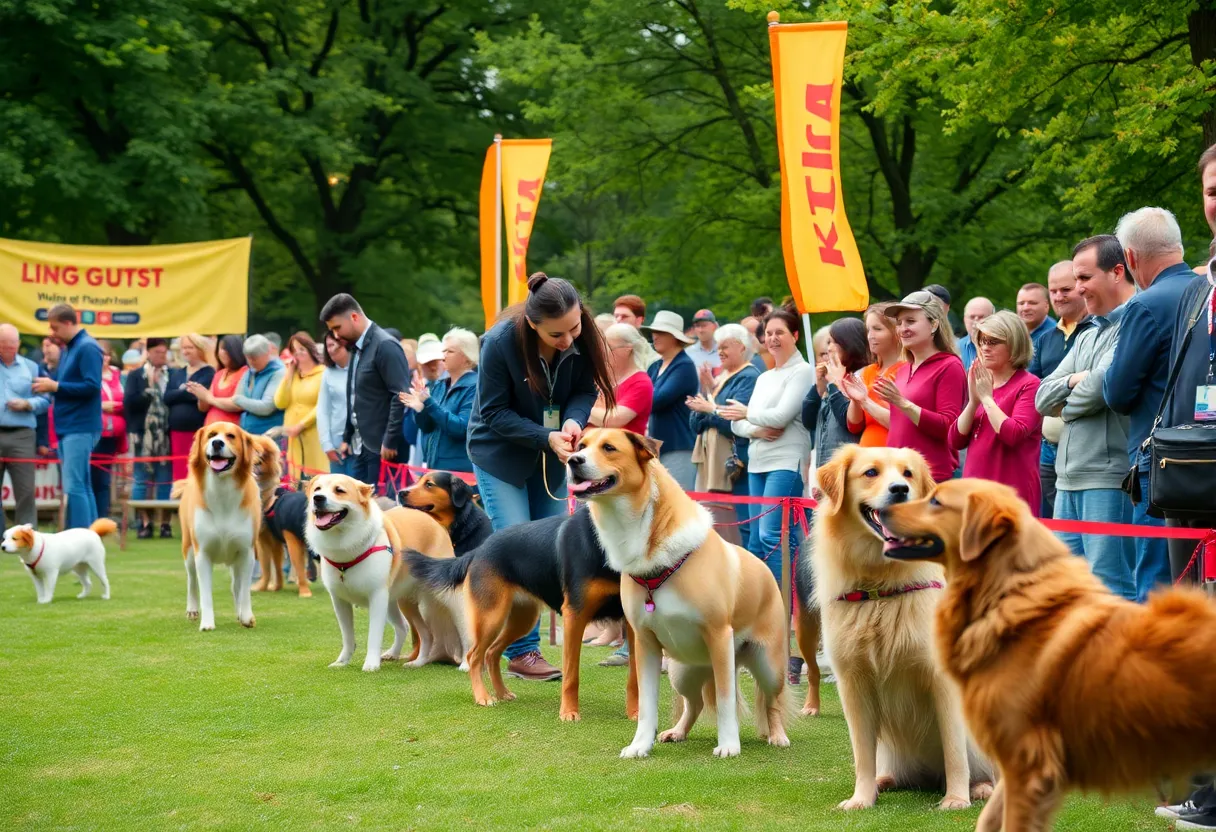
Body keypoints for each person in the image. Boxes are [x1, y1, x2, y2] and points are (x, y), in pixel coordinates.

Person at [466, 272, 614, 682]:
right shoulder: (498, 343)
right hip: (500, 454)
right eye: (556, 334)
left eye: (574, 328)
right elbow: (493, 413)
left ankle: (522, 645)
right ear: (533, 325)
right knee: (516, 541)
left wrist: (571, 421)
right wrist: (545, 436)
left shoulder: (582, 334)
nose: (568, 339)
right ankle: (522, 651)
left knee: (554, 545)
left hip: (552, 451)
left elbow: (585, 390)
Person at [1036, 234, 1137, 600]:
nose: (1077, 290)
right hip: (1067, 478)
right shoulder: (1089, 332)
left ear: (1116, 272)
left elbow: (1103, 388)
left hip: (1108, 478)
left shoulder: (1133, 324)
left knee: (1110, 588)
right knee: (1069, 590)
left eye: (1084, 279)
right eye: (1075, 280)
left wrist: (1072, 394)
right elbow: (1042, 397)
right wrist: (1077, 384)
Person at [1102, 207, 1194, 602]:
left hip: (1160, 466)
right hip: (1205, 457)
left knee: (1156, 585)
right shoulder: (1206, 292)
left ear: (1132, 258)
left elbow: (1117, 392)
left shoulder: (1146, 305)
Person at [720, 306, 814, 584]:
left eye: (780, 333)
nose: (773, 338)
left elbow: (781, 416)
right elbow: (736, 424)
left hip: (785, 462)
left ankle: (783, 608)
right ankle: (759, 610)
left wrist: (747, 414)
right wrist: (759, 429)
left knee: (772, 536)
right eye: (769, 333)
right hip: (757, 462)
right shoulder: (764, 377)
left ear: (795, 335)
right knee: (755, 543)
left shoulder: (802, 371)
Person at [949, 311, 1044, 513]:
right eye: (982, 341)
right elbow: (955, 441)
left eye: (993, 342)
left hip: (1010, 494)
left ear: (1014, 345)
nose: (984, 348)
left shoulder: (1029, 384)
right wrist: (974, 402)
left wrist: (986, 399)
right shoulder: (982, 382)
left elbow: (1013, 434)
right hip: (974, 493)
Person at [1029, 262, 1097, 518]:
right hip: (1048, 448)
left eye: (1066, 289)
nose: (1059, 296)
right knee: (1056, 523)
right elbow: (1035, 391)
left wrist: (1056, 392)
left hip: (1085, 449)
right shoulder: (1046, 339)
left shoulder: (1096, 331)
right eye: (1053, 290)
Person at [320, 294, 409, 487]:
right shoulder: (356, 349)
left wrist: (390, 440)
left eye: (337, 328)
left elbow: (400, 395)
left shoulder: (385, 345)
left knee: (383, 511)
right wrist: (347, 436)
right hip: (361, 447)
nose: (335, 335)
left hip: (384, 449)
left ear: (354, 317)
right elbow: (356, 397)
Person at [878, 293, 966, 483]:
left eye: (910, 321)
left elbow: (948, 427)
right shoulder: (902, 370)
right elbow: (899, 427)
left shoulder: (949, 366)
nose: (903, 329)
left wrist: (902, 403)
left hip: (928, 479)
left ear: (934, 325)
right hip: (896, 477)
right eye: (899, 323)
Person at [687, 323, 760, 548]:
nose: (720, 352)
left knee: (739, 524)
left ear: (741, 347)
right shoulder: (720, 379)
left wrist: (710, 408)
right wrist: (708, 393)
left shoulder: (747, 377)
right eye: (718, 347)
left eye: (725, 346)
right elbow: (695, 422)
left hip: (733, 462)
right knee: (716, 523)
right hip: (711, 461)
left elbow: (733, 420)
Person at [32, 304, 103, 530]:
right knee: (82, 485)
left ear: (68, 323)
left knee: (74, 487)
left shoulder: (88, 348)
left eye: (55, 327)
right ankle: (91, 537)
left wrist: (56, 386)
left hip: (80, 426)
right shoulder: (70, 348)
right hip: (69, 426)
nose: (52, 333)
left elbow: (92, 386)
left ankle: (81, 538)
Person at [401, 327, 479, 473]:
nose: (443, 356)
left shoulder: (474, 387)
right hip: (436, 469)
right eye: (443, 351)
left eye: (450, 351)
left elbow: (461, 429)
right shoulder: (440, 386)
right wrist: (420, 410)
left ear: (466, 357)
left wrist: (429, 403)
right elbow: (427, 427)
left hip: (460, 474)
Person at [641, 310, 699, 490]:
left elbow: (656, 399)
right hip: (657, 447)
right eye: (654, 332)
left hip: (678, 446)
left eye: (660, 332)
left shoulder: (684, 366)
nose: (654, 336)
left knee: (677, 505)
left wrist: (632, 402)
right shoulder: (656, 365)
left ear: (674, 337)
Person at [0, 323, 50, 534]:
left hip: (22, 434)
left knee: (26, 491)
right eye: (4, 345)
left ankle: (27, 538)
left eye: (12, 345)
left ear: (18, 344)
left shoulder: (32, 367)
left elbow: (45, 399)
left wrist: (28, 404)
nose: (9, 349)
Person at [124, 337, 174, 538]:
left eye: (164, 353)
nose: (161, 356)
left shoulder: (174, 375)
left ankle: (164, 523)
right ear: (149, 353)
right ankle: (144, 523)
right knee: (141, 479)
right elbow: (129, 403)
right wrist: (149, 390)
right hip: (143, 436)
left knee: (164, 480)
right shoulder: (136, 375)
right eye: (157, 353)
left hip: (166, 435)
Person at [802, 317, 866, 472]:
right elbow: (808, 421)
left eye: (833, 342)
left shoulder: (862, 376)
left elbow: (849, 423)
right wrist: (820, 385)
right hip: (825, 467)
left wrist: (833, 384)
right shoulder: (831, 380)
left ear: (849, 343)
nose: (829, 348)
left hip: (848, 470)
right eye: (827, 343)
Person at [842, 303, 905, 447]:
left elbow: (901, 424)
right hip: (867, 456)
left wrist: (865, 401)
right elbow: (854, 425)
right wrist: (855, 399)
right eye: (868, 330)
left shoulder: (907, 370)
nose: (870, 336)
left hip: (893, 456)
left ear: (896, 332)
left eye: (877, 329)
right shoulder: (868, 371)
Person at [274, 332, 328, 479]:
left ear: (311, 350)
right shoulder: (293, 375)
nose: (298, 353)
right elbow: (280, 402)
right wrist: (289, 375)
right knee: (295, 479)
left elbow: (323, 405)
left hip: (313, 433)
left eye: (302, 349)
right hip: (293, 436)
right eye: (294, 350)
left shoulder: (323, 374)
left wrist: (302, 425)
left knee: (314, 477)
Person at [164, 334, 216, 482]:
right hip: (176, 430)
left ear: (199, 349)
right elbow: (167, 397)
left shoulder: (208, 372)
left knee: (196, 470)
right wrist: (185, 391)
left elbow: (199, 394)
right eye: (184, 348)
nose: (186, 351)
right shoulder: (178, 373)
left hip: (196, 430)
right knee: (179, 472)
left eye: (190, 347)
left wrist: (179, 392)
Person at [589, 323, 654, 435]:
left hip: (622, 450)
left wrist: (580, 408)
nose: (603, 351)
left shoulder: (642, 383)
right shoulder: (602, 376)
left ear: (627, 350)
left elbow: (613, 420)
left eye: (608, 347)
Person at [92, 340, 127, 521]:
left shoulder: (120, 375)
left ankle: (103, 519)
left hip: (114, 436)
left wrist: (117, 406)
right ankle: (92, 519)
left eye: (105, 354)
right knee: (93, 480)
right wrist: (101, 406)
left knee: (105, 480)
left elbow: (129, 399)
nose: (103, 358)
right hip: (94, 433)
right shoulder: (88, 374)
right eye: (99, 354)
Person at [316, 331, 355, 477]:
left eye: (333, 345)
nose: (330, 350)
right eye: (327, 347)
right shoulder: (328, 372)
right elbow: (323, 410)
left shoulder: (362, 369)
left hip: (358, 444)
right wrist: (327, 445)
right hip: (336, 445)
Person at [231, 335, 286, 436]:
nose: (251, 362)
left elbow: (266, 407)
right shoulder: (250, 371)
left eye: (255, 358)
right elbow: (237, 396)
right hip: (247, 433)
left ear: (267, 353)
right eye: (248, 358)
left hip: (269, 436)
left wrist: (239, 400)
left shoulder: (279, 372)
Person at [191, 335, 247, 426]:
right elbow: (204, 408)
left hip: (230, 430)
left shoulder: (245, 372)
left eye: (225, 349)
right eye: (220, 349)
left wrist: (210, 398)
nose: (221, 352)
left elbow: (237, 404)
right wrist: (201, 395)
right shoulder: (219, 374)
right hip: (210, 427)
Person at [956, 297, 995, 372]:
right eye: (972, 317)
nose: (976, 321)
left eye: (981, 317)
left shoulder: (1003, 349)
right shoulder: (954, 349)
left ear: (993, 319)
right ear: (964, 320)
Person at [1016, 283, 1056, 354]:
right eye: (1021, 303)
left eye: (1032, 303)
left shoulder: (1054, 336)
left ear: (1046, 306)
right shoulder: (1013, 332)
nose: (1025, 308)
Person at [686, 309, 722, 375]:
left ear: (715, 326)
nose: (700, 330)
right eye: (697, 326)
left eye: (704, 325)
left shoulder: (724, 350)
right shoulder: (688, 353)